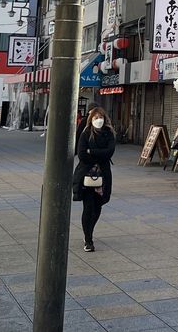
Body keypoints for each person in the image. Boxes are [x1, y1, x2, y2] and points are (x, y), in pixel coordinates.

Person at [72, 107, 115, 252]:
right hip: (86, 177)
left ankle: (89, 230)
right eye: (96, 118)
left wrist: (93, 152)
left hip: (103, 176)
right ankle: (88, 239)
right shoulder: (86, 133)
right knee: (88, 207)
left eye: (101, 117)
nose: (99, 120)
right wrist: (98, 155)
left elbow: (109, 152)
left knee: (98, 207)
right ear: (91, 119)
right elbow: (82, 154)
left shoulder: (109, 133)